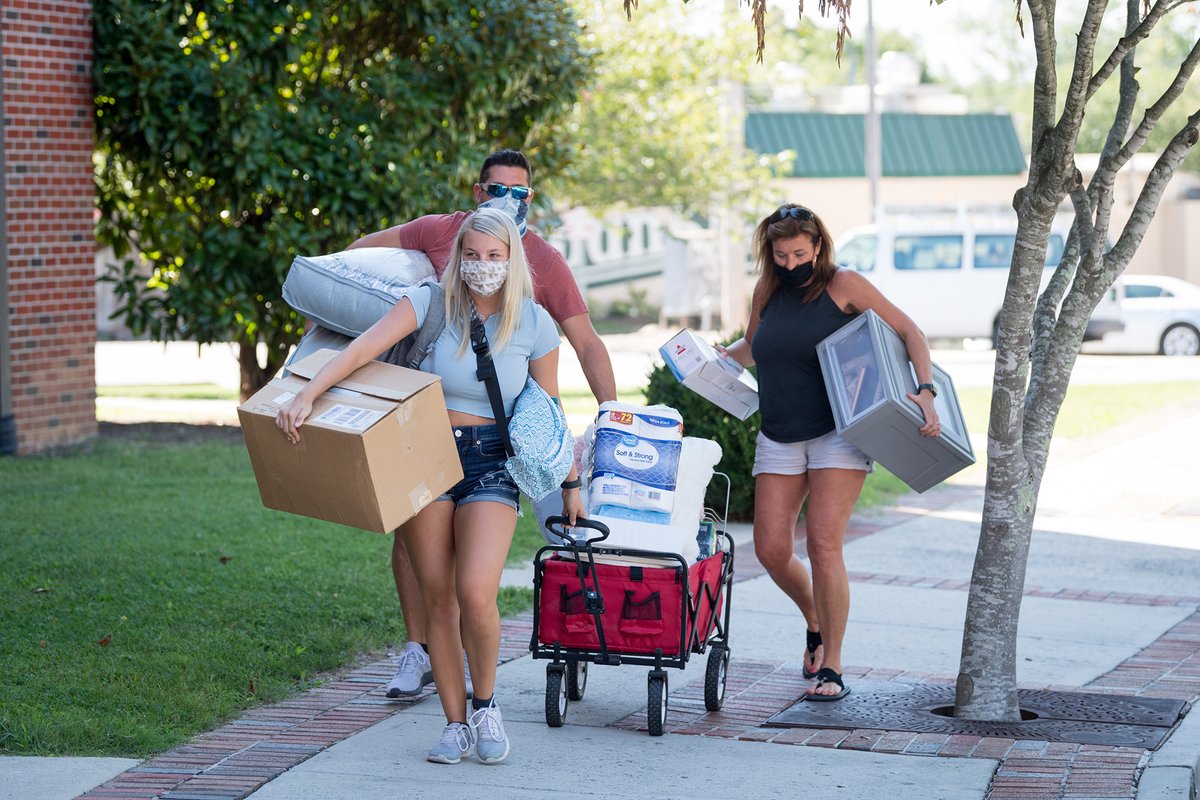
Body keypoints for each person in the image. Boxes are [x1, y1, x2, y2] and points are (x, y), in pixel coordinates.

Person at [277, 208, 585, 764]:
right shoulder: (429, 302)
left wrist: (572, 484)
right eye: (472, 255)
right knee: (439, 598)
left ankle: (486, 706)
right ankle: (454, 723)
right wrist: (306, 393)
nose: (482, 265)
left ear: (512, 260)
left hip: (492, 462)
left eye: (494, 256)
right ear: (458, 257)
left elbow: (549, 410)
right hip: (426, 455)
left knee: (476, 593)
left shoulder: (534, 322)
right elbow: (360, 350)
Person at [348, 149, 616, 700]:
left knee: (475, 584)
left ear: (530, 198)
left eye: (519, 192)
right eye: (497, 189)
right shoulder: (438, 232)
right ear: (478, 192)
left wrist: (611, 414)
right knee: (412, 549)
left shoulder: (543, 262)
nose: (507, 200)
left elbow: (584, 343)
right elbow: (357, 256)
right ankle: (419, 649)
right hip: (424, 425)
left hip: (495, 439)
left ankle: (479, 691)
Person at [721, 204, 939, 702]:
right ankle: (814, 618)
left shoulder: (844, 284)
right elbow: (754, 347)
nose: (792, 264)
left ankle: (833, 666)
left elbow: (910, 331)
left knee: (823, 545)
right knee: (771, 549)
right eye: (782, 256)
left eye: (800, 253)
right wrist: (713, 359)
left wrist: (925, 390)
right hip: (779, 431)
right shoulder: (767, 290)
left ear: (818, 246)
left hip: (839, 431)